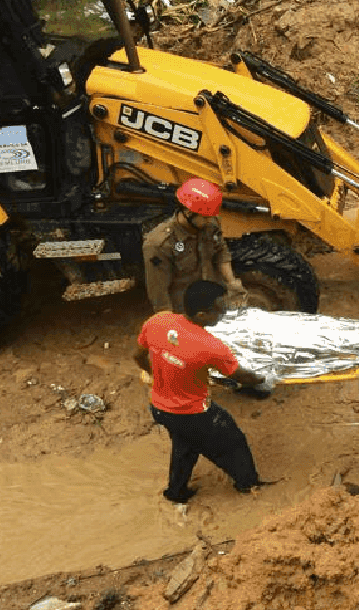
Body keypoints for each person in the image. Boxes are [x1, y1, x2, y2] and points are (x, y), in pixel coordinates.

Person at [133, 279, 271, 503]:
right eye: (219, 310)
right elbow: (241, 376)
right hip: (193, 413)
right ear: (201, 315)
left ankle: (176, 493)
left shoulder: (158, 320)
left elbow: (137, 355)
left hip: (159, 407)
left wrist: (154, 374)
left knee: (184, 445)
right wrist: (264, 378)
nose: (224, 313)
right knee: (232, 441)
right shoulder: (210, 346)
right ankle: (248, 484)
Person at [143, 177, 247, 314]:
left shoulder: (210, 224)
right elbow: (159, 294)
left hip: (211, 305)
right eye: (205, 217)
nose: (210, 221)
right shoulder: (159, 244)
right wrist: (170, 322)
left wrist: (232, 283)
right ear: (188, 212)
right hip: (183, 312)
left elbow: (221, 252)